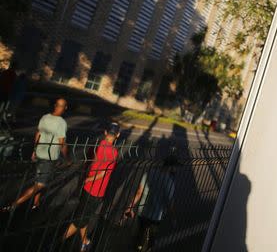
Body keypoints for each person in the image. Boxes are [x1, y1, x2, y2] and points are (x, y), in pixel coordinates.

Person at [2, 98, 69, 211]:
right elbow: (62, 143)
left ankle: (36, 203)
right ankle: (14, 204)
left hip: (39, 153)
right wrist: (67, 158)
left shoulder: (45, 117)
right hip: (48, 157)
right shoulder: (61, 123)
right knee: (40, 184)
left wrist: (34, 150)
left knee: (40, 180)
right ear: (65, 107)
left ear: (55, 106)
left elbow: (38, 134)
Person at [63, 122, 120, 252]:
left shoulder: (97, 145)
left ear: (105, 132)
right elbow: (103, 173)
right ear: (118, 135)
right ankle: (58, 241)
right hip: (97, 191)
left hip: (86, 187)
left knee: (84, 216)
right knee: (80, 220)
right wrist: (89, 178)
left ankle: (84, 241)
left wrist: (86, 178)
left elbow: (87, 163)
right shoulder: (113, 153)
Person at [123, 150, 177, 251]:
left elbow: (139, 192)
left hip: (143, 211)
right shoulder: (169, 182)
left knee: (140, 231)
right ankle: (149, 247)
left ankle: (137, 247)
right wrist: (173, 218)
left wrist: (130, 206)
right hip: (156, 215)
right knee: (152, 234)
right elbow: (170, 203)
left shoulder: (149, 173)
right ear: (172, 167)